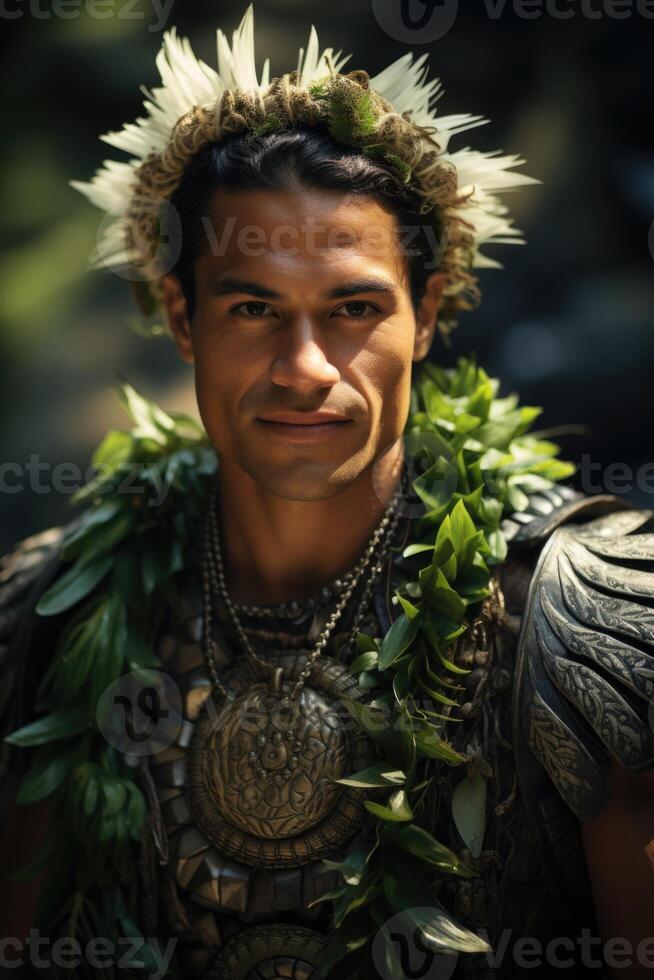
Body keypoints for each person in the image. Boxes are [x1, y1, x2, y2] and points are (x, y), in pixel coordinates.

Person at [1, 5, 653, 979]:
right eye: (254, 306)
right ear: (182, 318)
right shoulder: (50, 621)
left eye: (352, 308)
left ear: (427, 316)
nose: (305, 367)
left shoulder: (585, 617)